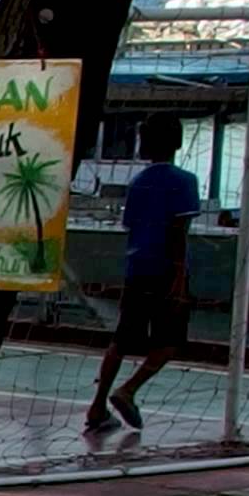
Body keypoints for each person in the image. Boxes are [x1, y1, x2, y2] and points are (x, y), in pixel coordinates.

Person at [90, 113, 199, 435]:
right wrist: (179, 276)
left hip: (137, 268)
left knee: (121, 340)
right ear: (177, 142)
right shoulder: (184, 181)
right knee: (170, 341)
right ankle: (128, 389)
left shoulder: (138, 183)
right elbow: (178, 230)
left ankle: (97, 405)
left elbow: (132, 229)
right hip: (165, 269)